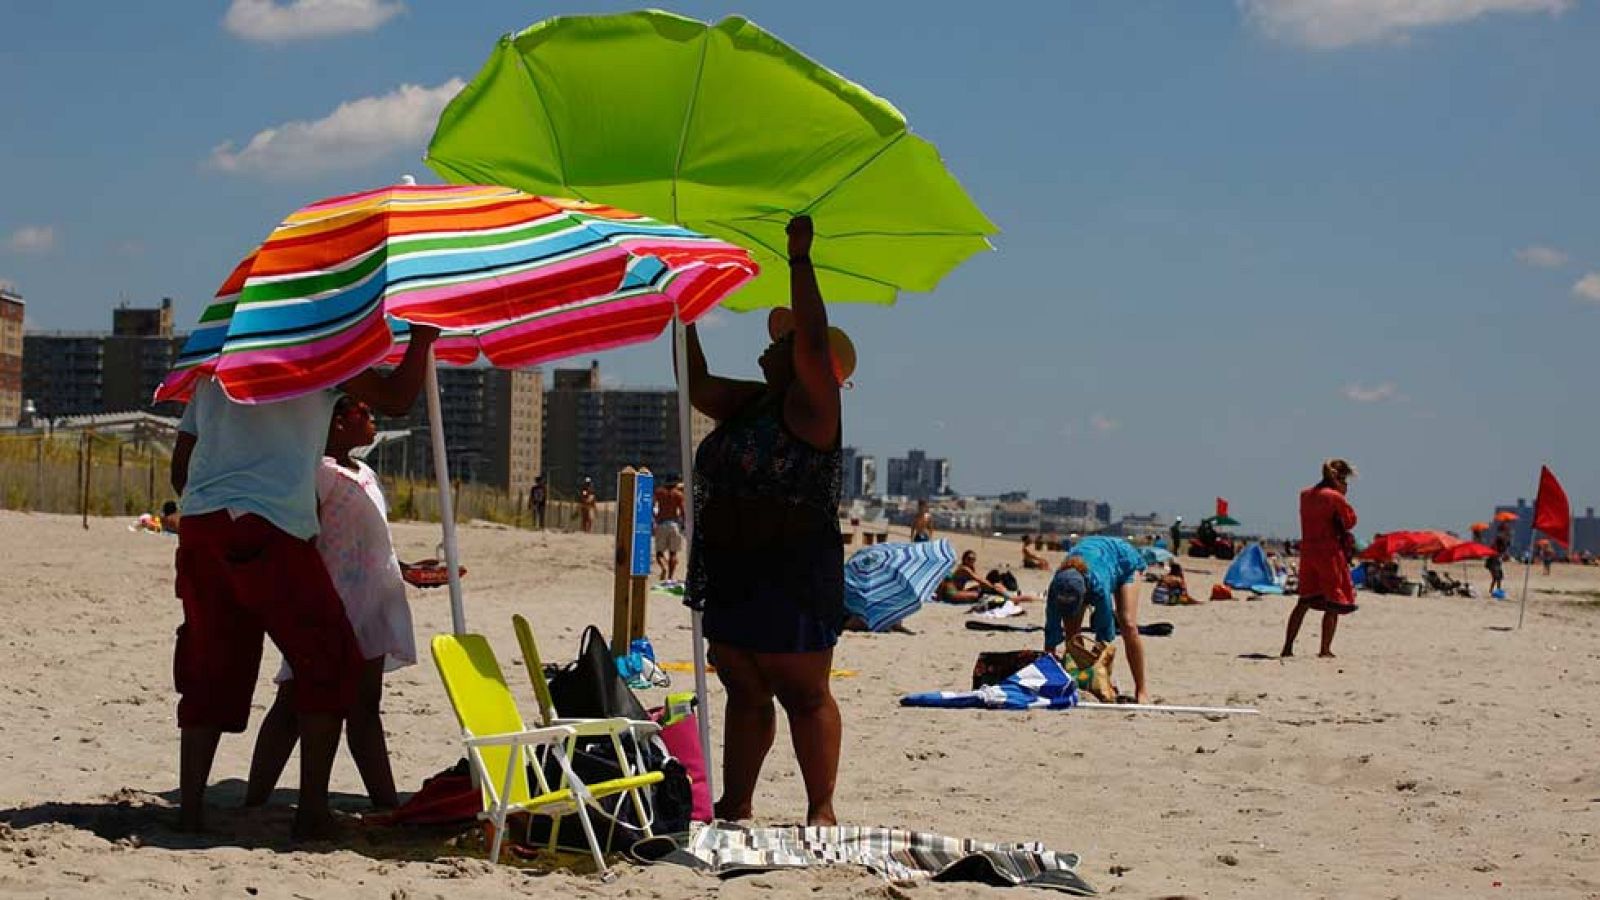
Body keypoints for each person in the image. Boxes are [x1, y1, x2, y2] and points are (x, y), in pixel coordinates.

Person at [169, 323, 438, 839]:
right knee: (329, 660)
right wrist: (423, 339)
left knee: (208, 663)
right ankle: (311, 810)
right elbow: (398, 399)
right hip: (270, 526)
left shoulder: (215, 366)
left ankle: (190, 810)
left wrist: (217, 500)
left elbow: (182, 467)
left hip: (203, 526)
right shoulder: (322, 351)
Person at [681, 215, 852, 826]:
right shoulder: (755, 401)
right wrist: (684, 309)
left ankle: (820, 808)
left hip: (792, 573)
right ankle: (737, 801)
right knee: (744, 691)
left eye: (779, 343)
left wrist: (799, 260)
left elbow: (810, 341)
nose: (769, 344)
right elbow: (694, 384)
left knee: (805, 695)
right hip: (735, 567)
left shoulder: (814, 409)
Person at [245, 396, 415, 811]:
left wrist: (406, 568)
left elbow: (369, 538)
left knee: (365, 706)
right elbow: (300, 533)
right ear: (336, 422)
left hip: (374, 601)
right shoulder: (317, 473)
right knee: (293, 702)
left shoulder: (366, 472)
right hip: (331, 600)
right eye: (364, 413)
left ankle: (385, 802)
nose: (373, 419)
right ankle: (255, 800)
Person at [1044, 536, 1151, 703]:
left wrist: (1100, 675)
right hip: (1091, 563)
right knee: (1072, 634)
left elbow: (1104, 636)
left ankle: (1142, 690)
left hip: (1123, 560)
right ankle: (1077, 683)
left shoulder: (1099, 587)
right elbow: (1051, 633)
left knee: (1128, 624)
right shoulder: (1056, 588)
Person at [1282, 458, 1359, 659]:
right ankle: (1325, 649)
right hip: (1329, 552)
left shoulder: (1305, 495)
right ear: (1340, 479)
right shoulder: (1334, 497)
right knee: (1334, 601)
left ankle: (1288, 647)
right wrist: (1342, 495)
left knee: (1304, 600)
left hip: (1308, 551)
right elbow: (1350, 522)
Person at [654, 475, 686, 582]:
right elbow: (682, 511)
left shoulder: (659, 492)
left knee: (659, 553)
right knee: (673, 553)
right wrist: (684, 524)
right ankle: (670, 578)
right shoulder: (678, 494)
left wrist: (656, 518)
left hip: (661, 524)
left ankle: (663, 567)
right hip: (674, 524)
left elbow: (652, 505)